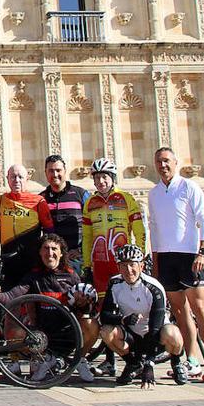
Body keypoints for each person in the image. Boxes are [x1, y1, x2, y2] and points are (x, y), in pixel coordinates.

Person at [148, 146, 204, 382]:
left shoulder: (189, 187)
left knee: (201, 310)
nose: (163, 165)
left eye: (167, 161)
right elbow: (155, 229)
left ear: (176, 163)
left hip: (189, 255)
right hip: (166, 257)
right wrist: (155, 262)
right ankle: (193, 360)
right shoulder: (155, 193)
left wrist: (203, 251)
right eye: (159, 161)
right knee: (179, 312)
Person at [0, 234, 100, 382]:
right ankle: (43, 358)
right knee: (12, 326)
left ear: (61, 252)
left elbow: (86, 310)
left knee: (92, 325)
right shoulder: (33, 276)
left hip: (68, 335)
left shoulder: (72, 276)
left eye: (54, 249)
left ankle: (79, 359)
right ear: (39, 252)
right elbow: (12, 296)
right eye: (45, 248)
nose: (49, 253)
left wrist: (84, 303)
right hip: (41, 336)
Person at [82, 157, 145, 376]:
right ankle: (109, 361)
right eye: (97, 178)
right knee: (105, 313)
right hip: (100, 265)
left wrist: (141, 258)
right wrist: (87, 265)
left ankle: (135, 356)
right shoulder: (90, 203)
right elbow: (88, 237)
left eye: (104, 177)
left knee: (126, 310)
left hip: (121, 265)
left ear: (112, 178)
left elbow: (139, 230)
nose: (101, 181)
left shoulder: (126, 199)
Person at [99, 244, 188, 388]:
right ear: (118, 267)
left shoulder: (153, 287)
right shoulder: (115, 283)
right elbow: (104, 316)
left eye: (132, 265)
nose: (129, 270)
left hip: (156, 334)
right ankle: (133, 363)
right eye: (124, 265)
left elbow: (156, 326)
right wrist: (122, 319)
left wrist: (150, 364)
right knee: (106, 331)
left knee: (173, 334)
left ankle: (176, 362)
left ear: (141, 266)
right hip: (132, 334)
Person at [0, 164, 53, 291]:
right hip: (8, 257)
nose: (17, 180)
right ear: (7, 179)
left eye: (20, 177)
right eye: (13, 177)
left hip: (31, 258)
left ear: (27, 179)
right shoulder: (1, 200)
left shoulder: (38, 201)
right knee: (9, 295)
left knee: (31, 294)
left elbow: (49, 230)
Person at [40, 155, 88, 275]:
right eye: (51, 171)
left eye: (58, 170)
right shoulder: (41, 198)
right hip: (53, 260)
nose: (55, 174)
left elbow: (92, 224)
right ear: (45, 173)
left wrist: (81, 249)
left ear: (65, 171)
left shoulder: (81, 194)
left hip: (78, 258)